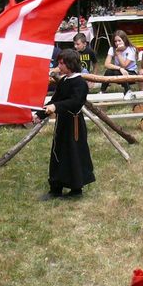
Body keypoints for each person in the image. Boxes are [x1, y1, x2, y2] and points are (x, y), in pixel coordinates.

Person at [34, 49, 95, 200]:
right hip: (62, 123)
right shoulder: (64, 81)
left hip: (74, 124)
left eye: (62, 63)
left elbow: (75, 102)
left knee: (73, 154)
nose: (59, 66)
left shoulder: (80, 83)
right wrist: (40, 114)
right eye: (59, 63)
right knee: (58, 152)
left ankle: (76, 189)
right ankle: (56, 188)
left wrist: (56, 107)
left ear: (70, 64)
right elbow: (55, 99)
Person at [100, 30, 137, 97]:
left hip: (131, 72)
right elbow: (106, 64)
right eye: (115, 41)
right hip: (118, 71)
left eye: (119, 41)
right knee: (108, 72)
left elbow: (124, 66)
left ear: (124, 40)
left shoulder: (131, 49)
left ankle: (128, 91)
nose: (117, 43)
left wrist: (118, 54)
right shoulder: (112, 49)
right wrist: (119, 68)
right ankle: (102, 91)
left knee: (120, 73)